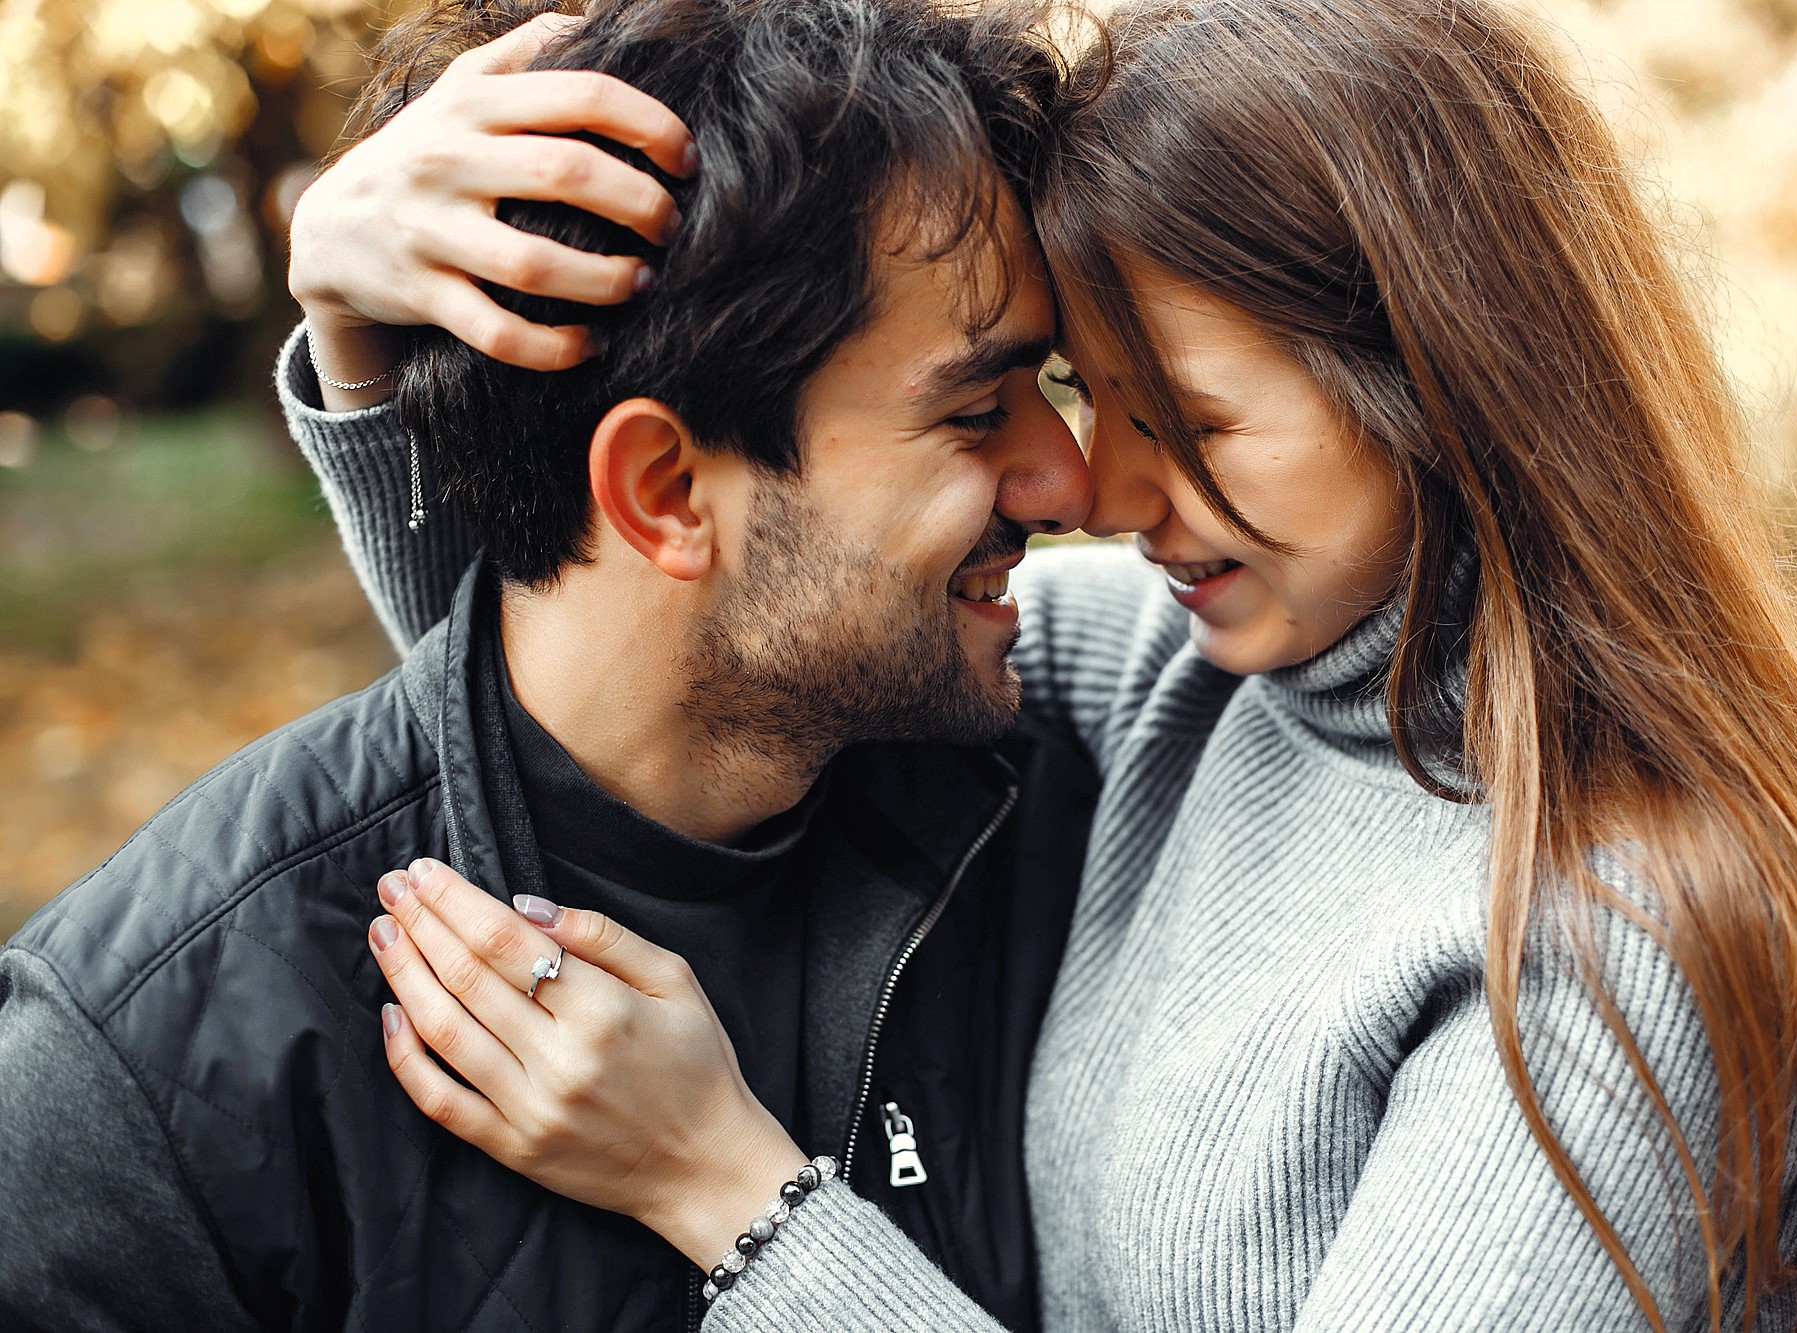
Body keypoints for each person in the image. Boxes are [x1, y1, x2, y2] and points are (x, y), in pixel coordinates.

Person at [301, 0, 1797, 1329]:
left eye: (1182, 420)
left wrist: (736, 1199)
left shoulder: (1610, 948)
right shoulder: (1186, 681)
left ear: (1449, 388)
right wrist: (366, 334)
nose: (1101, 493)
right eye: (1081, 395)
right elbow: (682, 663)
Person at [0, 2, 1105, 1329]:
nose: (1071, 478)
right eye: (978, 410)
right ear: (665, 491)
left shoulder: (1054, 813)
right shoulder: (148, 1065)